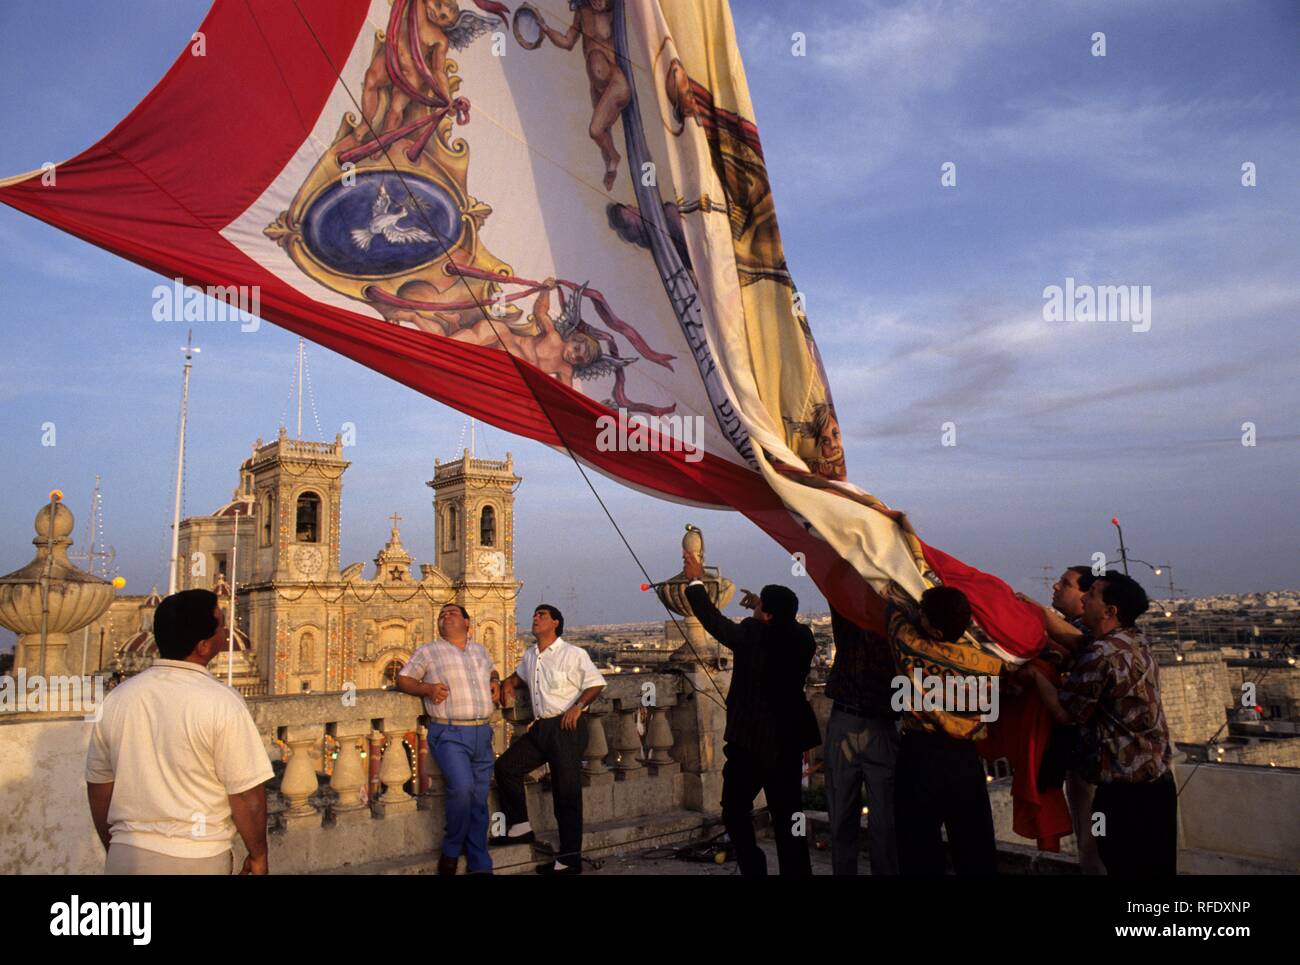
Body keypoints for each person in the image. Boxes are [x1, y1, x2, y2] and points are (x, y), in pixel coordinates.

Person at [85, 589, 273, 875]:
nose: (226, 630)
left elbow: (99, 789)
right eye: (221, 624)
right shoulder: (222, 702)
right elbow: (247, 796)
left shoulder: (117, 699)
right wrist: (258, 855)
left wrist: (117, 847)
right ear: (203, 646)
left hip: (126, 857)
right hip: (197, 857)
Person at [1016, 572, 1176, 875]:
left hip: (1123, 796)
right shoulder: (1134, 640)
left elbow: (1066, 713)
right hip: (1158, 789)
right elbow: (1076, 641)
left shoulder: (1101, 654)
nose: (1084, 598)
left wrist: (1036, 676)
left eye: (1092, 595)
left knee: (1120, 863)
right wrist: (1034, 610)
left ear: (1109, 611)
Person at [683, 551, 821, 875]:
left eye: (761, 607)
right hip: (787, 745)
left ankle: (753, 866)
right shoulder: (804, 638)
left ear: (767, 616)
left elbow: (713, 621)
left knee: (734, 811)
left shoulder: (752, 634)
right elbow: (784, 624)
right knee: (789, 817)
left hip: (750, 744)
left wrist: (695, 580)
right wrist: (764, 606)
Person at [886, 583, 1001, 875]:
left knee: (918, 848)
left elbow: (892, 608)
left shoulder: (909, 645)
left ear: (935, 631)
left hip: (920, 757)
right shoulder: (989, 662)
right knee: (974, 848)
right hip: (965, 762)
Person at [495, 605, 606, 874]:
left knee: (565, 794)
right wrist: (507, 684)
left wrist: (578, 706)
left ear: (555, 623)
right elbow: (520, 677)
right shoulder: (531, 655)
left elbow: (596, 683)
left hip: (566, 727)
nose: (535, 618)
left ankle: (570, 860)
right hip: (542, 728)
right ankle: (520, 826)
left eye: (542, 615)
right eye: (534, 614)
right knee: (506, 767)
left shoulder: (572, 654)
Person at [397, 603, 500, 875]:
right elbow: (403, 679)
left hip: (482, 731)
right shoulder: (429, 651)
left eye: (452, 613)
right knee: (463, 789)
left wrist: (496, 680)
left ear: (467, 623)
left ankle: (479, 860)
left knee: (479, 797)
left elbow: (491, 670)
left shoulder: (480, 650)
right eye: (442, 614)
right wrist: (427, 688)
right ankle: (452, 848)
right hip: (449, 732)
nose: (446, 616)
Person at [1017, 565, 1105, 873]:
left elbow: (1065, 714)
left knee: (1097, 850)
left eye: (1065, 584)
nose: (1055, 586)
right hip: (1088, 763)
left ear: (1086, 596)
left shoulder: (1100, 644)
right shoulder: (1091, 639)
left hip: (1098, 766)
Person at [823, 604, 900, 875]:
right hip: (867, 721)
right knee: (847, 817)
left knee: (882, 822)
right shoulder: (855, 614)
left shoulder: (896, 621)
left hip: (873, 721)